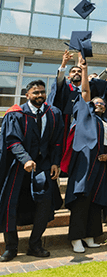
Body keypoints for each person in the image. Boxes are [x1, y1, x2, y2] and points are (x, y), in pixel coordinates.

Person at [0, 80, 63, 262]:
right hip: (18, 167)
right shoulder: (16, 114)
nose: (40, 96)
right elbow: (12, 140)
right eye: (35, 93)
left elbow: (57, 141)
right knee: (10, 205)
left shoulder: (52, 113)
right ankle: (11, 248)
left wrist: (55, 162)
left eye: (42, 92)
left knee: (44, 204)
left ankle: (35, 245)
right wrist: (25, 158)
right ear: (27, 95)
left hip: (43, 166)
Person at [65, 57, 107, 253]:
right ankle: (76, 237)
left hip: (101, 162)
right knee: (82, 198)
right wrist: (84, 70)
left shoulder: (106, 122)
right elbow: (85, 91)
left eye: (102, 103)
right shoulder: (85, 115)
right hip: (85, 160)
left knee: (96, 199)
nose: (100, 104)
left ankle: (90, 235)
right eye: (96, 102)